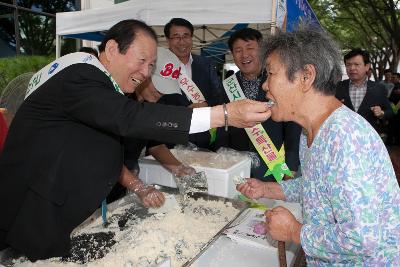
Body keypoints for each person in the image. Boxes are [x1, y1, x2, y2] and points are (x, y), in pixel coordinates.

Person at [0, 19, 271, 261]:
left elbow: (107, 145)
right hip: (33, 211)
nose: (145, 72)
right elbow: (130, 117)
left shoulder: (106, 91)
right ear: (111, 50)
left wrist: (140, 185)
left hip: (62, 209)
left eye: (151, 65)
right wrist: (222, 114)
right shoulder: (81, 76)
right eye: (141, 60)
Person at [237, 26, 400, 265]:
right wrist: (267, 189)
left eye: (270, 74)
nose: (264, 86)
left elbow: (363, 238)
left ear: (306, 77)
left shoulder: (345, 139)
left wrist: (294, 231)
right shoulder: (310, 131)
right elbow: (316, 184)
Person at [216, 28, 301, 181]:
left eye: (250, 48)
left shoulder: (278, 81)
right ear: (232, 55)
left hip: (273, 166)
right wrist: (221, 158)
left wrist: (291, 165)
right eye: (238, 50)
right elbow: (222, 126)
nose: (244, 55)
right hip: (235, 166)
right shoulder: (227, 86)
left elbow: (292, 125)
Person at [163, 17, 224, 149]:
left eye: (186, 36)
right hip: (171, 140)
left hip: (204, 138)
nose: (182, 41)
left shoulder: (205, 64)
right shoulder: (159, 67)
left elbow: (219, 95)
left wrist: (206, 104)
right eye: (176, 37)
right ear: (168, 40)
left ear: (191, 38)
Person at [335, 48, 393, 133]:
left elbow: (390, 112)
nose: (352, 68)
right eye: (348, 65)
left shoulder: (379, 88)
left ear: (367, 66)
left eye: (356, 64)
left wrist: (381, 113)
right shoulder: (337, 87)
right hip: (343, 137)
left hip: (369, 138)